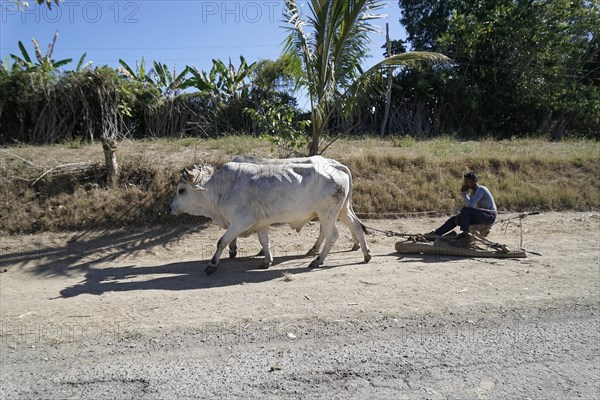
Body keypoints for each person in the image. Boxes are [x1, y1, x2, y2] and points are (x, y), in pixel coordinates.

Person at [431, 171, 497, 237]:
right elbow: (469, 206)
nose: (466, 184)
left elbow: (470, 206)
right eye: (465, 182)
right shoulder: (473, 193)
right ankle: (437, 234)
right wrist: (461, 215)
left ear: (475, 181)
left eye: (468, 182)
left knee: (465, 210)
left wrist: (464, 193)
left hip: (490, 216)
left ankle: (465, 233)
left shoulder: (481, 189)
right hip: (481, 215)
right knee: (454, 219)